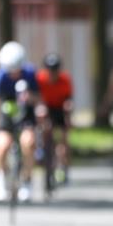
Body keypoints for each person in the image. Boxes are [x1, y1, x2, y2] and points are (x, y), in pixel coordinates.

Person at [0, 41, 40, 202]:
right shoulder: (0, 77)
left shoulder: (30, 74)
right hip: (6, 114)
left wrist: (30, 98)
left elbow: (39, 98)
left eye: (15, 71)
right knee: (1, 145)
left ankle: (27, 180)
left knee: (28, 143)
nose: (12, 74)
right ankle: (1, 175)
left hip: (26, 113)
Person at [35, 53, 74, 185]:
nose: (52, 73)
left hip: (60, 108)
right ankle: (42, 150)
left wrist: (68, 116)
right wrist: (40, 107)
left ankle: (63, 165)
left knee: (63, 139)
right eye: (50, 70)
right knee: (45, 129)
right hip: (46, 107)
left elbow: (68, 100)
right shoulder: (39, 79)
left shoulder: (65, 80)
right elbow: (36, 96)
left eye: (55, 70)